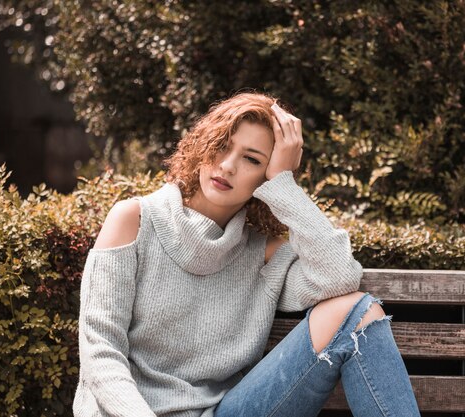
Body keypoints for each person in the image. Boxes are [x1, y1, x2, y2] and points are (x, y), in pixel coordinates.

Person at [73, 92, 420, 417]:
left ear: (264, 178)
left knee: (358, 311)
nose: (226, 166)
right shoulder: (134, 220)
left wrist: (284, 183)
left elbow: (339, 276)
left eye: (251, 160)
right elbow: (100, 354)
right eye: (221, 146)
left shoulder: (263, 253)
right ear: (202, 145)